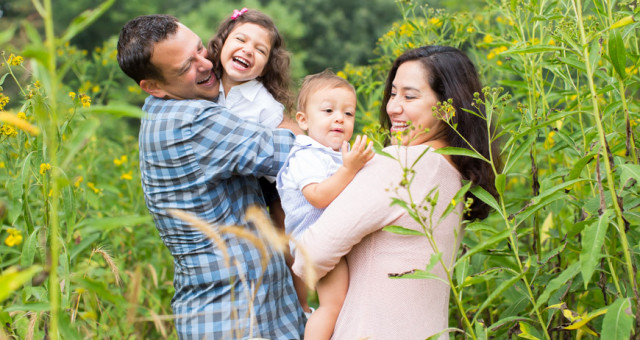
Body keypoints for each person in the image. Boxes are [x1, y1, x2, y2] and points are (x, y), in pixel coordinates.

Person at [116, 14, 305, 339]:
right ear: (153, 87)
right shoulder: (192, 122)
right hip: (236, 318)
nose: (206, 64)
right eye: (186, 66)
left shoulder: (169, 106)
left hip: (257, 307)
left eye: (201, 49)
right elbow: (295, 151)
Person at [292, 46, 500, 339]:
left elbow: (309, 256)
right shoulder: (457, 177)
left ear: (448, 104)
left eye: (410, 96)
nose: (392, 108)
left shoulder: (400, 163)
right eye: (393, 94)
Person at [276, 70, 374, 340]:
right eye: (328, 110)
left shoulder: (333, 154)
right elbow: (317, 196)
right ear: (304, 120)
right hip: (314, 241)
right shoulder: (306, 155)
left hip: (332, 235)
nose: (339, 118)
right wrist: (350, 169)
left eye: (349, 113)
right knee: (332, 305)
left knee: (346, 303)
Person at [208, 7, 294, 235]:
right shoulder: (206, 86)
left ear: (265, 68)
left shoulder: (265, 104)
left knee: (284, 231)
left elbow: (281, 157)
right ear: (222, 44)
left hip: (267, 183)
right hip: (220, 187)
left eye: (260, 50)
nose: (247, 50)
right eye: (240, 39)